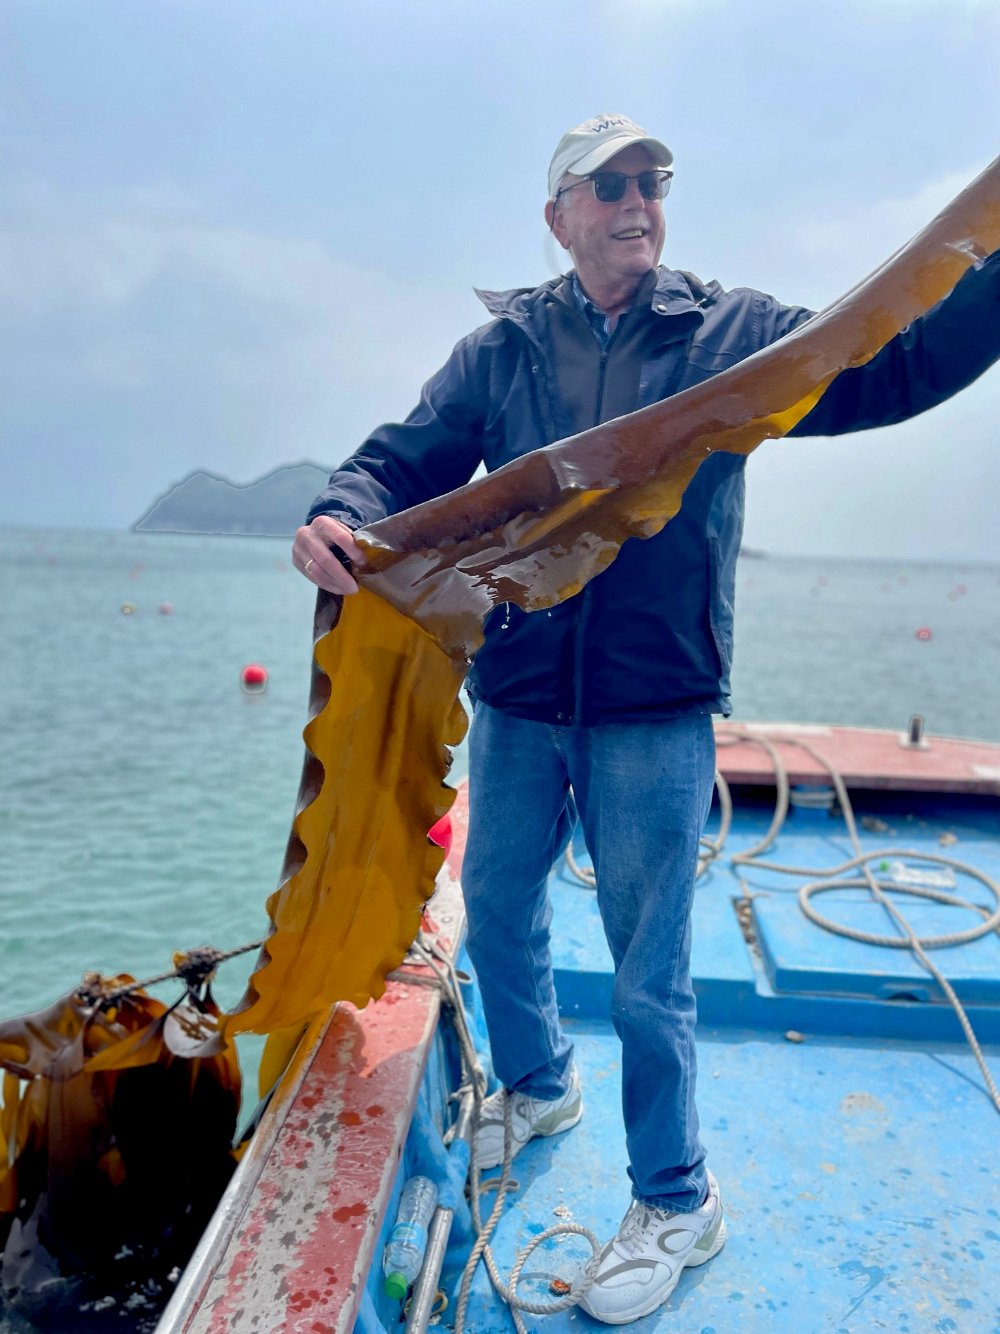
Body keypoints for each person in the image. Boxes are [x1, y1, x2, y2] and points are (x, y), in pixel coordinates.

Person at [293, 114, 1000, 1324]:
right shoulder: (501, 350)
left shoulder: (730, 337)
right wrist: (335, 510)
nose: (637, 200)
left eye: (653, 181)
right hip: (516, 699)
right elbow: (398, 461)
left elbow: (892, 367)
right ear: (557, 216)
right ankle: (537, 1083)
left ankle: (676, 1198)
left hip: (651, 710)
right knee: (500, 911)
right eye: (608, 184)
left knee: (647, 974)